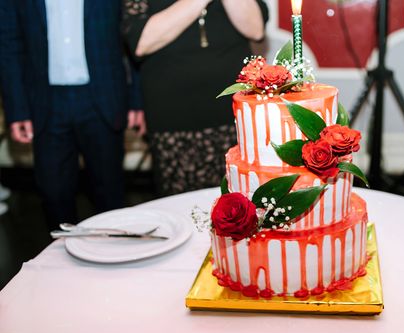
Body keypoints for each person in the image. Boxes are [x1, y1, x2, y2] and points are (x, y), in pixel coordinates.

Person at [0, 0, 144, 229]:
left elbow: (134, 32)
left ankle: (115, 256)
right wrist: (17, 110)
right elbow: (8, 43)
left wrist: (138, 100)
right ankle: (61, 262)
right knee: (54, 195)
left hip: (103, 98)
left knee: (110, 193)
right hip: (45, 101)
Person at [122, 0, 268, 196]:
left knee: (241, 201)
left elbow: (255, 29)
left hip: (232, 110)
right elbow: (140, 42)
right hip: (173, 113)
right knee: (179, 205)